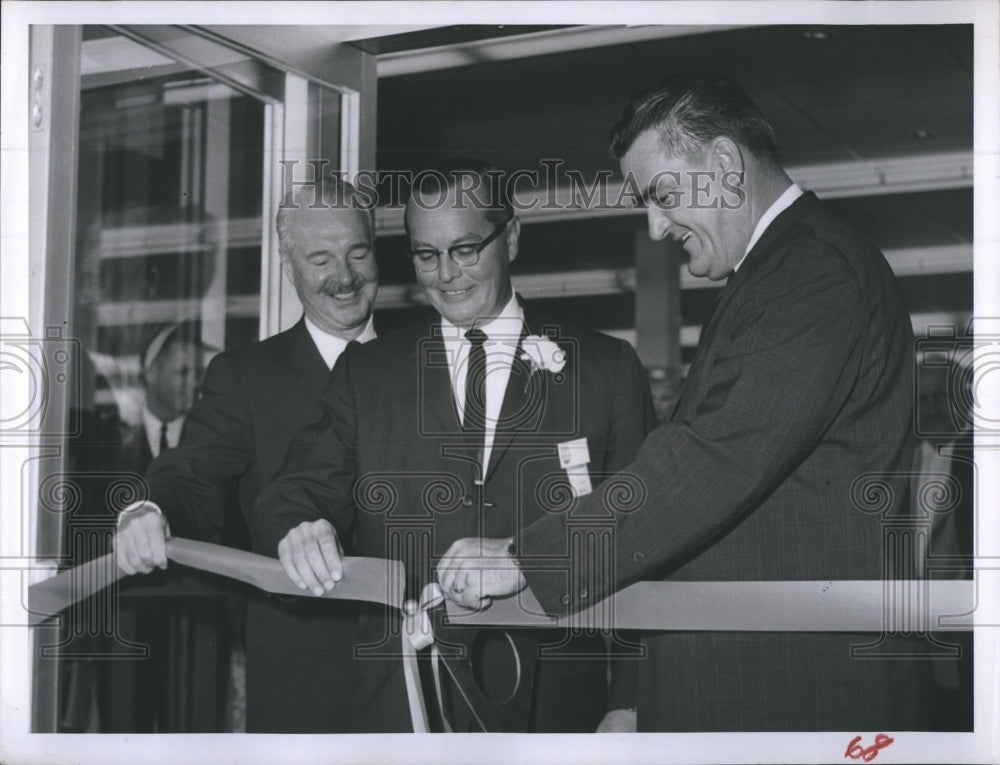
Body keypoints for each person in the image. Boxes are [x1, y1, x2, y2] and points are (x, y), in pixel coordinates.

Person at [437, 73, 934, 731]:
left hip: (796, 696)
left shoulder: (813, 272)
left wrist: (528, 557)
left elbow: (709, 462)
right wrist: (635, 695)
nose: (656, 224)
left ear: (725, 163)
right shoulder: (776, 275)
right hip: (762, 685)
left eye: (664, 194)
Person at [254, 159, 657, 732]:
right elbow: (289, 496)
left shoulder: (606, 369)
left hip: (559, 709)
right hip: (407, 707)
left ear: (511, 237)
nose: (446, 274)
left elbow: (641, 536)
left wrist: (628, 702)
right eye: (426, 255)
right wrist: (301, 527)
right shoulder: (368, 374)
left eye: (465, 248)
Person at [113, 178, 379, 733]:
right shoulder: (245, 377)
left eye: (357, 252)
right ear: (289, 267)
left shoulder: (422, 362)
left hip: (413, 665)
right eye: (321, 258)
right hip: (300, 673)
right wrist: (149, 511)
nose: (345, 276)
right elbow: (191, 476)